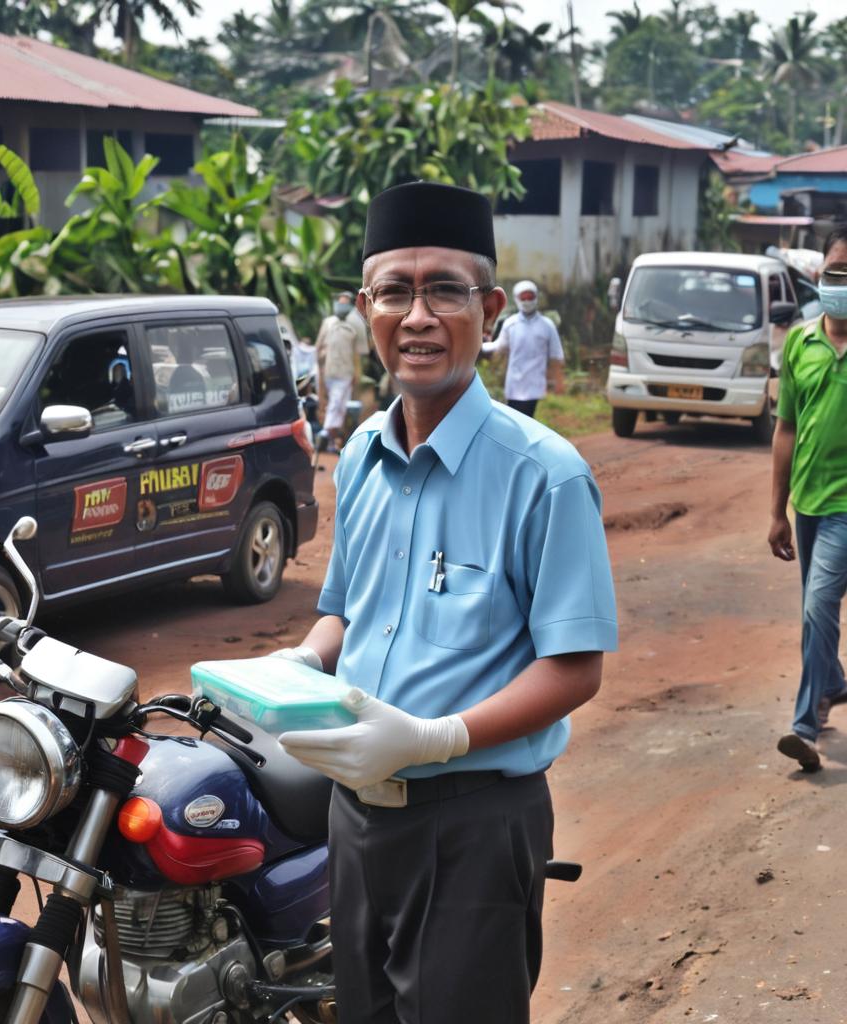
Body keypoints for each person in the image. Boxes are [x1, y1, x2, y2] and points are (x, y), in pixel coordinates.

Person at [272, 181, 618, 1023]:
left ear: (489, 309)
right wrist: (301, 659)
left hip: (473, 824)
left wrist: (437, 737)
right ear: (366, 307)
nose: (417, 316)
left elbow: (574, 669)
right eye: (395, 290)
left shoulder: (544, 474)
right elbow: (343, 610)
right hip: (354, 818)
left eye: (444, 291)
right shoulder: (358, 456)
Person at [770, 224, 847, 772]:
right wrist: (777, 510)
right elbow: (786, 429)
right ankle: (834, 682)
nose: (838, 282)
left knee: (819, 608)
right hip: (809, 504)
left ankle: (803, 728)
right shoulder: (801, 341)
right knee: (813, 611)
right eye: (833, 272)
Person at [481, 279, 564, 418]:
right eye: (523, 298)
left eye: (530, 297)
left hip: (535, 386)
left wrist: (558, 381)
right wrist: (480, 345)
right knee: (516, 419)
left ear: (536, 297)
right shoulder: (511, 324)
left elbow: (556, 355)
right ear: (516, 299)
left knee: (525, 418)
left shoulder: (547, 325)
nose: (526, 301)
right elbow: (499, 346)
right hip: (514, 385)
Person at [316, 291, 369, 451]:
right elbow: (318, 348)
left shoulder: (357, 324)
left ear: (351, 304)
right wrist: (319, 371)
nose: (341, 304)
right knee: (336, 407)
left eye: (345, 302)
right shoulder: (328, 323)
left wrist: (357, 375)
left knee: (337, 403)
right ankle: (332, 442)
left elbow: (358, 354)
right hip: (328, 371)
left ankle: (325, 433)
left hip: (346, 373)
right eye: (340, 301)